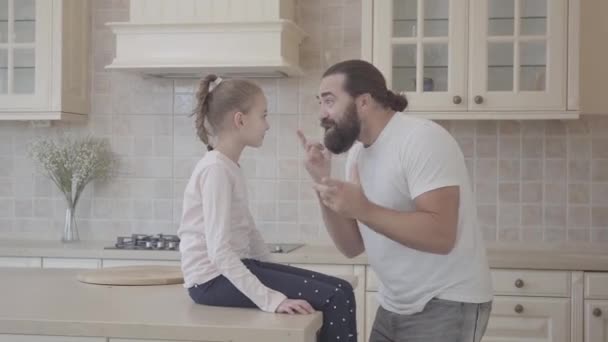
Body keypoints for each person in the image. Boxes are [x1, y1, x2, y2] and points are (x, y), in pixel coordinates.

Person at [298, 60, 493, 342]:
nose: (322, 114)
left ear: (363, 101)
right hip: (393, 304)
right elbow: (351, 247)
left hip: (446, 302)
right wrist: (322, 182)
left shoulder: (421, 138)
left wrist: (363, 208)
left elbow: (442, 235)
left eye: (329, 101)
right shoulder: (359, 154)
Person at [177, 74, 358, 341]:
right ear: (240, 120)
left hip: (231, 270)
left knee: (342, 289)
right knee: (335, 297)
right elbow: (218, 252)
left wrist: (279, 274)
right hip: (210, 281)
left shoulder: (228, 166)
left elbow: (249, 231)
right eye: (263, 115)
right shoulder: (215, 169)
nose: (268, 124)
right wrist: (272, 299)